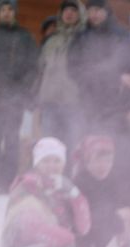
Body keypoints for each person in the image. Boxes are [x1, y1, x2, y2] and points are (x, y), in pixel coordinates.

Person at [0, 0, 41, 193]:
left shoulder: (25, 37)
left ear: (15, 12)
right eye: (3, 10)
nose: (6, 13)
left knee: (12, 141)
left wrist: (23, 89)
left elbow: (34, 66)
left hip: (16, 98)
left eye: (9, 10)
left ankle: (9, 184)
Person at [69, 0, 130, 133]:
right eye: (90, 11)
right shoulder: (81, 37)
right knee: (87, 136)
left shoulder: (120, 35)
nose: (94, 14)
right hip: (87, 98)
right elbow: (73, 67)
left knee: (112, 136)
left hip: (116, 100)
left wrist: (120, 79)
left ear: (106, 12)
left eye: (97, 10)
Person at [36, 0, 86, 142]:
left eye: (73, 10)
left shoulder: (83, 39)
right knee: (49, 143)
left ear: (80, 15)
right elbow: (40, 70)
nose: (69, 13)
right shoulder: (51, 41)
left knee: (71, 143)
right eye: (66, 10)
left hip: (73, 101)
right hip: (49, 101)